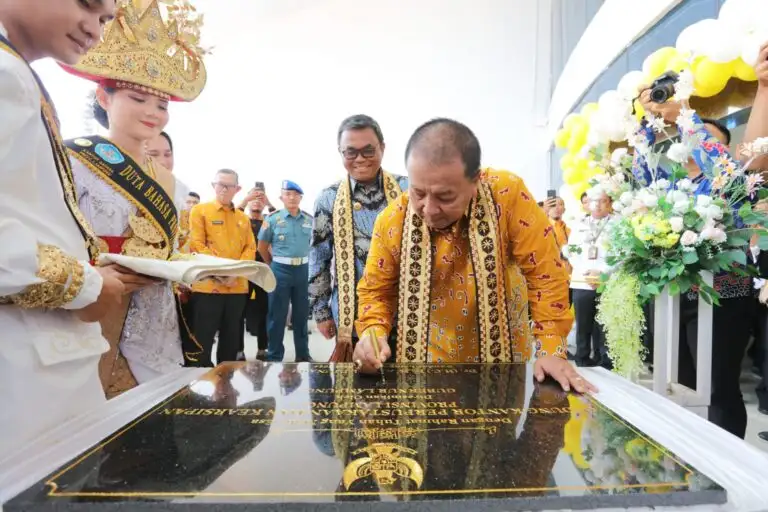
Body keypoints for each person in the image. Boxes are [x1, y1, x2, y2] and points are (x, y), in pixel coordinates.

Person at [0, 0, 152, 457]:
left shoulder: (16, 71)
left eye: (106, 19)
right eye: (87, 6)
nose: (95, 29)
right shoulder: (6, 76)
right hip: (25, 361)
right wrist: (85, 285)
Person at [353, 118, 593, 393]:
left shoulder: (507, 195)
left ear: (476, 180)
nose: (429, 210)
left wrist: (551, 348)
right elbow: (376, 291)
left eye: (445, 197)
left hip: (502, 368)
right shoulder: (392, 220)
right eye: (418, 193)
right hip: (423, 372)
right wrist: (373, 334)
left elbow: (545, 273)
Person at [60, 0, 208, 395]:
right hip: (94, 303)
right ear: (105, 99)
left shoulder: (172, 183)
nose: (153, 113)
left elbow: (176, 248)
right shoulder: (73, 160)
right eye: (138, 98)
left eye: (161, 103)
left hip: (154, 312)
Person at [633, 84, 753, 438]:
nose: (690, 142)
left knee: (717, 388)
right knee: (680, 384)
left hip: (724, 293)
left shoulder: (732, 181)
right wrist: (649, 121)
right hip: (675, 295)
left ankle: (728, 464)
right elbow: (642, 174)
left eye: (701, 138)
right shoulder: (673, 187)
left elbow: (719, 165)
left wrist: (685, 115)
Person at [309, 115, 408, 361]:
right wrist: (321, 313)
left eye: (368, 150)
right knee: (356, 391)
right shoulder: (328, 198)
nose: (360, 159)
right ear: (340, 153)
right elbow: (319, 258)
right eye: (351, 152)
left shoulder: (409, 191)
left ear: (382, 148)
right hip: (351, 314)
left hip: (407, 312)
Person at [188, 169, 256, 366]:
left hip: (236, 288)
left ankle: (226, 391)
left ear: (238, 189)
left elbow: (250, 247)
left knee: (230, 344)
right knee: (201, 343)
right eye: (220, 184)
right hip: (208, 287)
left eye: (229, 186)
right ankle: (195, 392)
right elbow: (197, 245)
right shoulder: (200, 211)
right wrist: (220, 272)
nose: (224, 189)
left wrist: (235, 274)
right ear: (213, 185)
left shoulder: (243, 218)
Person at [259, 180, 313, 362]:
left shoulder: (308, 220)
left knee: (301, 315)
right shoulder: (272, 219)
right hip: (280, 270)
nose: (292, 197)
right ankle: (274, 355)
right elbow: (262, 247)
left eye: (295, 194)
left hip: (302, 271)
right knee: (277, 315)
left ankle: (303, 355)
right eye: (287, 194)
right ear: (281, 197)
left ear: (300, 197)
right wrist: (271, 264)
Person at [564, 192, 614, 369]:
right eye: (595, 201)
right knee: (583, 322)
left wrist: (603, 272)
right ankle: (582, 357)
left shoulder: (618, 224)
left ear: (610, 204)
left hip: (607, 280)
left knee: (604, 323)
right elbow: (572, 251)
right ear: (588, 204)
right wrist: (587, 272)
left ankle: (605, 359)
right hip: (582, 279)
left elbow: (621, 254)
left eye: (603, 201)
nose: (598, 205)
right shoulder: (579, 225)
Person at [244, 197, 271, 361]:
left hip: (262, 272)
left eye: (260, 199)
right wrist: (246, 198)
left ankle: (262, 348)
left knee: (263, 311)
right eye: (253, 198)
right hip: (244, 271)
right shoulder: (241, 219)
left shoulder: (268, 221)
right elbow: (236, 210)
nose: (257, 201)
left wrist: (268, 202)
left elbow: (280, 215)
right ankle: (238, 350)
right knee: (240, 312)